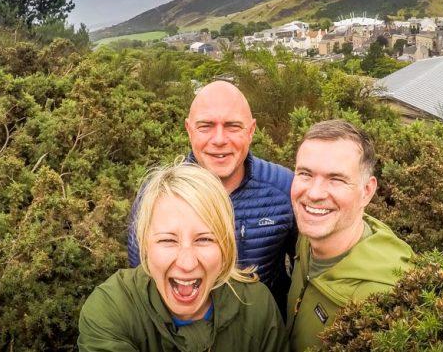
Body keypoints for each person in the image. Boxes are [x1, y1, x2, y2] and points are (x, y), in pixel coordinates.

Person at [127, 80, 296, 314]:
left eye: (233, 126)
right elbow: (142, 277)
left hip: (263, 330)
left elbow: (307, 266)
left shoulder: (284, 187)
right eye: (206, 126)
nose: (219, 139)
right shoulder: (157, 197)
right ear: (189, 130)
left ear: (251, 130)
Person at [78, 164, 287, 352]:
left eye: (204, 239)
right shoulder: (112, 309)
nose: (187, 263)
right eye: (168, 240)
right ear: (144, 245)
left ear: (226, 247)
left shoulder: (255, 306)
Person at [286, 119, 414, 352]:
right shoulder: (308, 239)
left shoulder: (383, 297)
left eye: (336, 179)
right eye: (305, 174)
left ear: (367, 191)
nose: (314, 193)